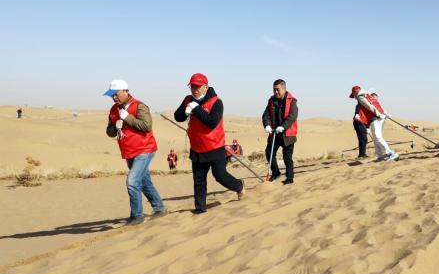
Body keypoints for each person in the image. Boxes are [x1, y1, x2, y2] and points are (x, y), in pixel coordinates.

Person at [175, 73, 245, 213]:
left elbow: (212, 123)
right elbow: (178, 117)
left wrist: (196, 109)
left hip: (215, 147)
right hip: (197, 147)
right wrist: (185, 110)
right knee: (199, 180)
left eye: (198, 86)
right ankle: (200, 209)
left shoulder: (216, 102)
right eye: (192, 86)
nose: (194, 89)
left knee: (219, 175)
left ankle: (239, 186)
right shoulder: (188, 99)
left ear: (206, 87)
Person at [104, 79, 167, 225]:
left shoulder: (139, 106)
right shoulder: (114, 110)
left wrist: (128, 118)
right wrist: (115, 126)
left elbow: (146, 126)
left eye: (116, 94)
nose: (113, 97)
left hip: (144, 149)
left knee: (132, 181)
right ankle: (160, 208)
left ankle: (137, 216)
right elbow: (109, 132)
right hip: (129, 151)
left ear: (126, 91)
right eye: (111, 95)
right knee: (144, 181)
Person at [262, 79, 299, 184]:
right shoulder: (271, 101)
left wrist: (283, 127)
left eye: (277, 90)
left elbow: (292, 116)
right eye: (274, 90)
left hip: (287, 134)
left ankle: (289, 178)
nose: (275, 92)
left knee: (287, 157)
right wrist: (267, 125)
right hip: (275, 133)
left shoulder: (292, 101)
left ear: (283, 88)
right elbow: (266, 114)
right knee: (269, 152)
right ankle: (276, 172)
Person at [350, 85, 398, 162]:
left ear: (355, 93)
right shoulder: (368, 95)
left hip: (377, 117)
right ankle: (380, 156)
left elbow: (370, 106)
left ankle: (391, 153)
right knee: (376, 138)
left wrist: (379, 114)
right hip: (379, 116)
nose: (354, 97)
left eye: (354, 95)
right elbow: (377, 104)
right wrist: (385, 113)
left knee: (378, 137)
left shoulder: (360, 97)